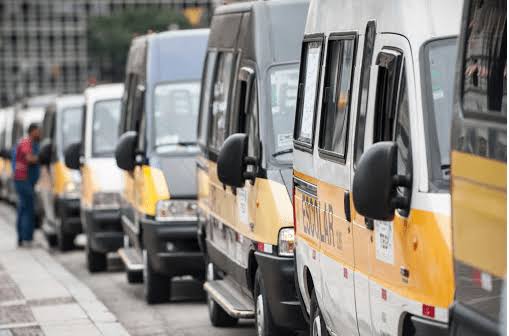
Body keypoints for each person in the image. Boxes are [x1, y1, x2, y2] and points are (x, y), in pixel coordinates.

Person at [14, 123, 41, 247]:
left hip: (24, 180)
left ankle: (22, 237)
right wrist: (40, 158)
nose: (39, 133)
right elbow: (29, 158)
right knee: (28, 209)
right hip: (23, 180)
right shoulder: (26, 142)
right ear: (32, 132)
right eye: (37, 131)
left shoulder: (30, 143)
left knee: (23, 208)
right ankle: (26, 238)